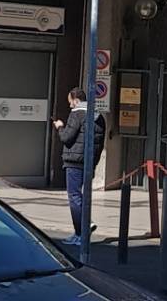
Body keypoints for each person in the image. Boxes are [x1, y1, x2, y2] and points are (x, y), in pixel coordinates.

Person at [51, 86, 107, 244]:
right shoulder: (98, 116)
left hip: (74, 161)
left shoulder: (77, 114)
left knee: (74, 196)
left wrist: (60, 127)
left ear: (76, 101)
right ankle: (85, 227)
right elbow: (100, 143)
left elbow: (66, 138)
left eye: (70, 102)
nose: (70, 106)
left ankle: (81, 231)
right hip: (89, 161)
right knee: (82, 196)